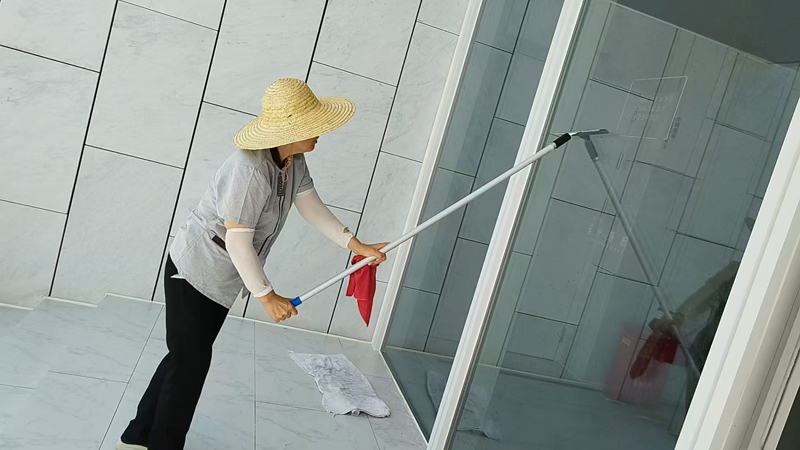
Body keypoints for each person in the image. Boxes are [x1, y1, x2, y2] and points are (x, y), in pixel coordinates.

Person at [116, 78, 388, 450]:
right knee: (191, 362)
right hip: (195, 270)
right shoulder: (250, 170)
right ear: (293, 129)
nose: (322, 131)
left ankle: (136, 436)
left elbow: (311, 207)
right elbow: (237, 239)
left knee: (185, 356)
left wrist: (357, 245)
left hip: (224, 275)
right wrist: (267, 296)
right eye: (315, 124)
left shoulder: (293, 160)